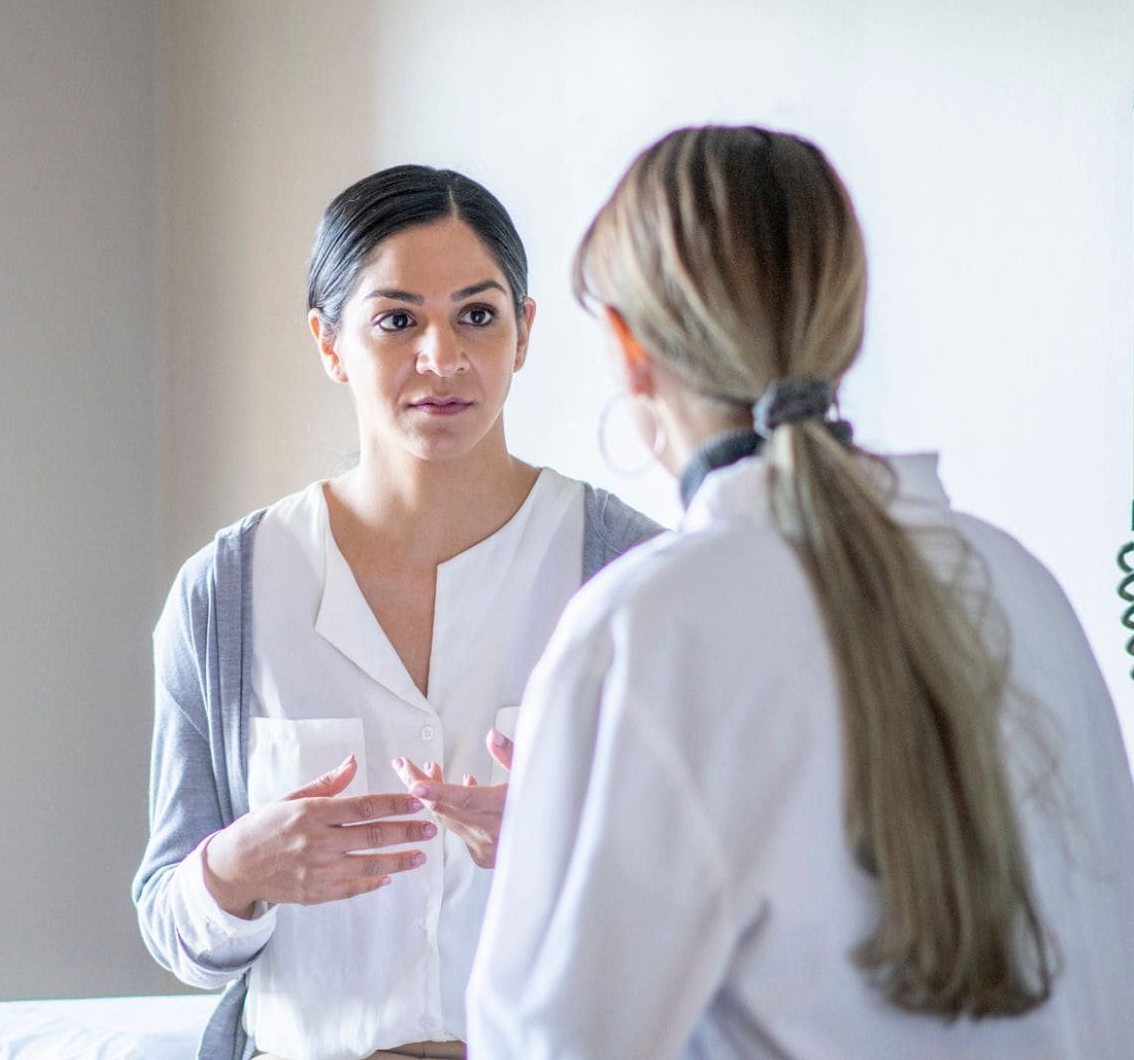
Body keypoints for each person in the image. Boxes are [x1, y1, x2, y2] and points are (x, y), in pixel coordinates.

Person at [464, 125, 1134, 1057]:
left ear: (627, 350)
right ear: (843, 326)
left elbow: (549, 1046)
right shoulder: (1023, 588)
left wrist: (568, 833)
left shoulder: (647, 628)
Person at [132, 165, 662, 1060]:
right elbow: (173, 927)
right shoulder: (226, 594)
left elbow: (712, 905)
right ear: (329, 342)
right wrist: (237, 871)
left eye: (478, 315)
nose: (442, 358)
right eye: (397, 319)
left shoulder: (629, 576)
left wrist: (572, 849)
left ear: (525, 333)